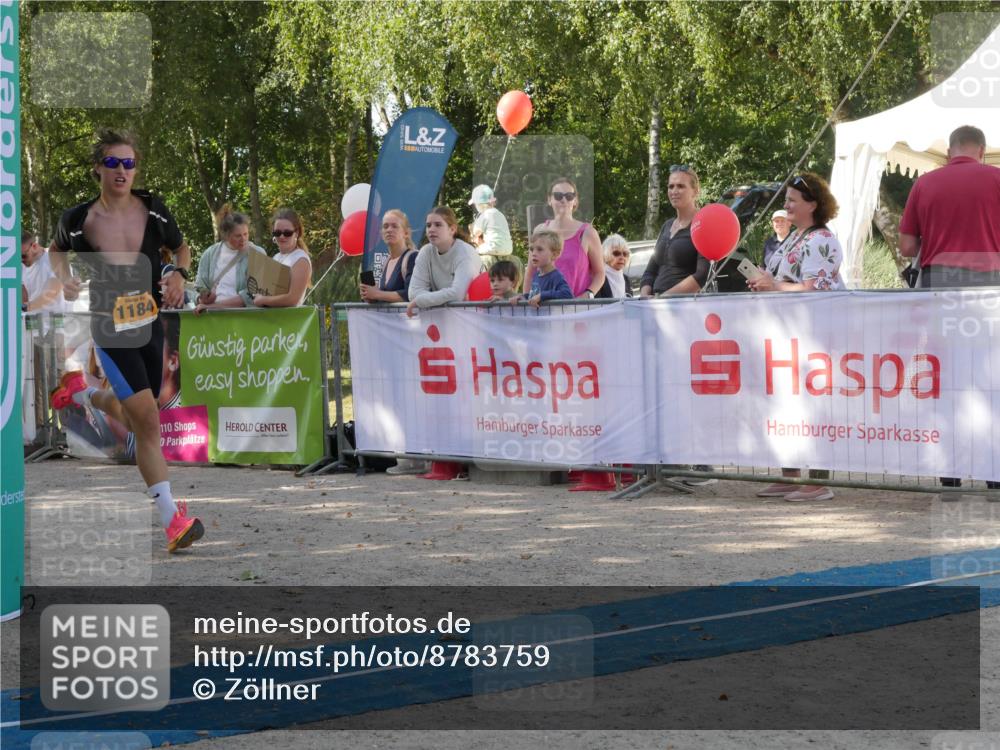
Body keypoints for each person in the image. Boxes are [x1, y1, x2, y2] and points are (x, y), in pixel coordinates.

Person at [47, 128, 204, 552]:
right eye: (113, 163)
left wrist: (177, 273)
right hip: (109, 328)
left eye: (129, 163)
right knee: (149, 421)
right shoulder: (78, 219)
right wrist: (65, 281)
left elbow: (182, 248)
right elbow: (55, 251)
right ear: (98, 168)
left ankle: (82, 394)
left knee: (141, 417)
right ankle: (173, 520)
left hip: (150, 325)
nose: (121, 171)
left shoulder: (153, 212)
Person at [899, 125, 1000, 494]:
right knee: (991, 378)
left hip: (940, 286)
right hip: (992, 285)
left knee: (948, 377)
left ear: (949, 151)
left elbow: (908, 246)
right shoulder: (997, 178)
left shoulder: (925, 184)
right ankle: (994, 472)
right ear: (982, 149)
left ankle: (951, 472)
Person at [748, 171, 845, 502]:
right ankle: (790, 474)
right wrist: (764, 281)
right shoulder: (795, 237)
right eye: (787, 198)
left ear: (813, 205)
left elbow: (814, 288)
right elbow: (784, 277)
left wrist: (772, 285)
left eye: (793, 199)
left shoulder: (820, 240)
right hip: (787, 331)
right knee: (786, 404)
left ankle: (817, 481)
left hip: (813, 333)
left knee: (814, 406)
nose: (786, 203)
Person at [526, 177, 604, 299]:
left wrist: (587, 295)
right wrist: (526, 302)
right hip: (543, 310)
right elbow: (530, 273)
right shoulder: (540, 230)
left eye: (569, 196)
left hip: (577, 310)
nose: (563, 200)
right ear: (549, 199)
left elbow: (600, 274)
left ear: (575, 201)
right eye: (558, 195)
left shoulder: (588, 233)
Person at [639, 165, 711, 297]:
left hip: (683, 307)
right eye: (671, 186)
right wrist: (645, 296)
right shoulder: (667, 225)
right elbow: (651, 270)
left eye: (680, 186)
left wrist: (664, 299)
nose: (674, 191)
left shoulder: (702, 224)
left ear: (695, 191)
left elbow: (702, 274)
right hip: (655, 307)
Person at [405, 206, 481, 318]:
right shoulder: (426, 251)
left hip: (473, 318)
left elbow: (457, 294)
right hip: (444, 320)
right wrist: (437, 298)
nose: (431, 229)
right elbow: (413, 293)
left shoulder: (465, 253)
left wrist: (421, 300)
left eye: (438, 225)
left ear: (452, 229)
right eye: (428, 225)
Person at [194, 206, 266, 314]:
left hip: (243, 317)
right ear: (226, 235)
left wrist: (214, 306)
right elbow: (199, 287)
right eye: (238, 236)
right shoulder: (210, 253)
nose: (243, 239)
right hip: (212, 319)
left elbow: (252, 294)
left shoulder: (257, 254)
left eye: (246, 234)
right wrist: (202, 298)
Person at [255, 208, 312, 308]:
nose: (282, 236)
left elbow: (293, 299)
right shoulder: (276, 257)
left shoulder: (301, 259)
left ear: (297, 233)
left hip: (289, 321)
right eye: (277, 233)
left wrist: (262, 300)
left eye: (287, 233)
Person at [360, 209, 418, 303]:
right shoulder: (387, 261)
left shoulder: (413, 257)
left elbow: (411, 294)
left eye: (395, 226)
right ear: (381, 233)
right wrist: (371, 297)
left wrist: (376, 294)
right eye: (385, 226)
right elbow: (386, 299)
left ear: (406, 233)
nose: (389, 230)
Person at [512, 229, 573, 308]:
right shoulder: (536, 275)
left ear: (554, 254)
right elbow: (534, 296)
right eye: (531, 249)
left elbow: (567, 294)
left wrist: (542, 296)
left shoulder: (556, 276)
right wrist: (523, 297)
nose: (533, 253)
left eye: (539, 249)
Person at [468, 184, 513, 267]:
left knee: (471, 252)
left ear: (479, 204)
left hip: (492, 248)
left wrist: (473, 226)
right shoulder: (500, 214)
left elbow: (475, 232)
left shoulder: (485, 215)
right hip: (508, 250)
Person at [21, 230, 65, 314]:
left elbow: (53, 290)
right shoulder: (21, 265)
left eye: (23, 256)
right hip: (33, 320)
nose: (20, 260)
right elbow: (23, 290)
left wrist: (26, 307)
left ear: (34, 246)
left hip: (55, 320)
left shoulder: (55, 257)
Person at [596, 234, 632, 298]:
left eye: (625, 254)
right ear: (605, 254)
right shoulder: (598, 278)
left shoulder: (626, 279)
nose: (622, 257)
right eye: (616, 253)